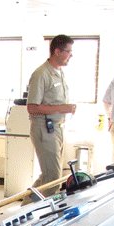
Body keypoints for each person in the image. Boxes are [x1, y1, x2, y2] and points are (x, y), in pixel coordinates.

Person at [27, 34, 77, 196]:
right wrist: (63, 108)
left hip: (57, 129)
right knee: (53, 176)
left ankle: (27, 205)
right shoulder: (42, 74)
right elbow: (32, 107)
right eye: (68, 51)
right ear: (57, 51)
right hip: (44, 128)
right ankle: (30, 208)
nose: (71, 55)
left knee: (50, 175)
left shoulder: (59, 73)